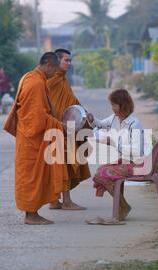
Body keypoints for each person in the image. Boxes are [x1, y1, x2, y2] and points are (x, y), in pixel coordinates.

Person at [14, 52, 69, 225]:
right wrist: (60, 126)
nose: (54, 74)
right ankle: (31, 215)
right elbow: (37, 117)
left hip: (28, 138)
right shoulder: (36, 83)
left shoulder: (28, 77)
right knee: (31, 177)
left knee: (32, 177)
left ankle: (32, 213)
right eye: (54, 70)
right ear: (49, 65)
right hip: (32, 140)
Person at [86, 89, 146, 222]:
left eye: (114, 105)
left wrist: (113, 143)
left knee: (103, 174)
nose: (112, 108)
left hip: (136, 163)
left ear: (122, 105)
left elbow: (137, 150)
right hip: (126, 161)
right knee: (100, 171)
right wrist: (92, 119)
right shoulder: (116, 118)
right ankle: (122, 206)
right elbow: (101, 124)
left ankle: (123, 207)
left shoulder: (134, 124)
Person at [46, 48, 91, 210]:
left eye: (70, 60)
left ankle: (55, 200)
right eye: (67, 60)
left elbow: (72, 101)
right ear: (57, 61)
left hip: (68, 128)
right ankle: (65, 201)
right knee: (62, 164)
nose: (70, 63)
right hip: (57, 128)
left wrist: (84, 113)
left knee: (63, 163)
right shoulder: (51, 81)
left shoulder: (63, 80)